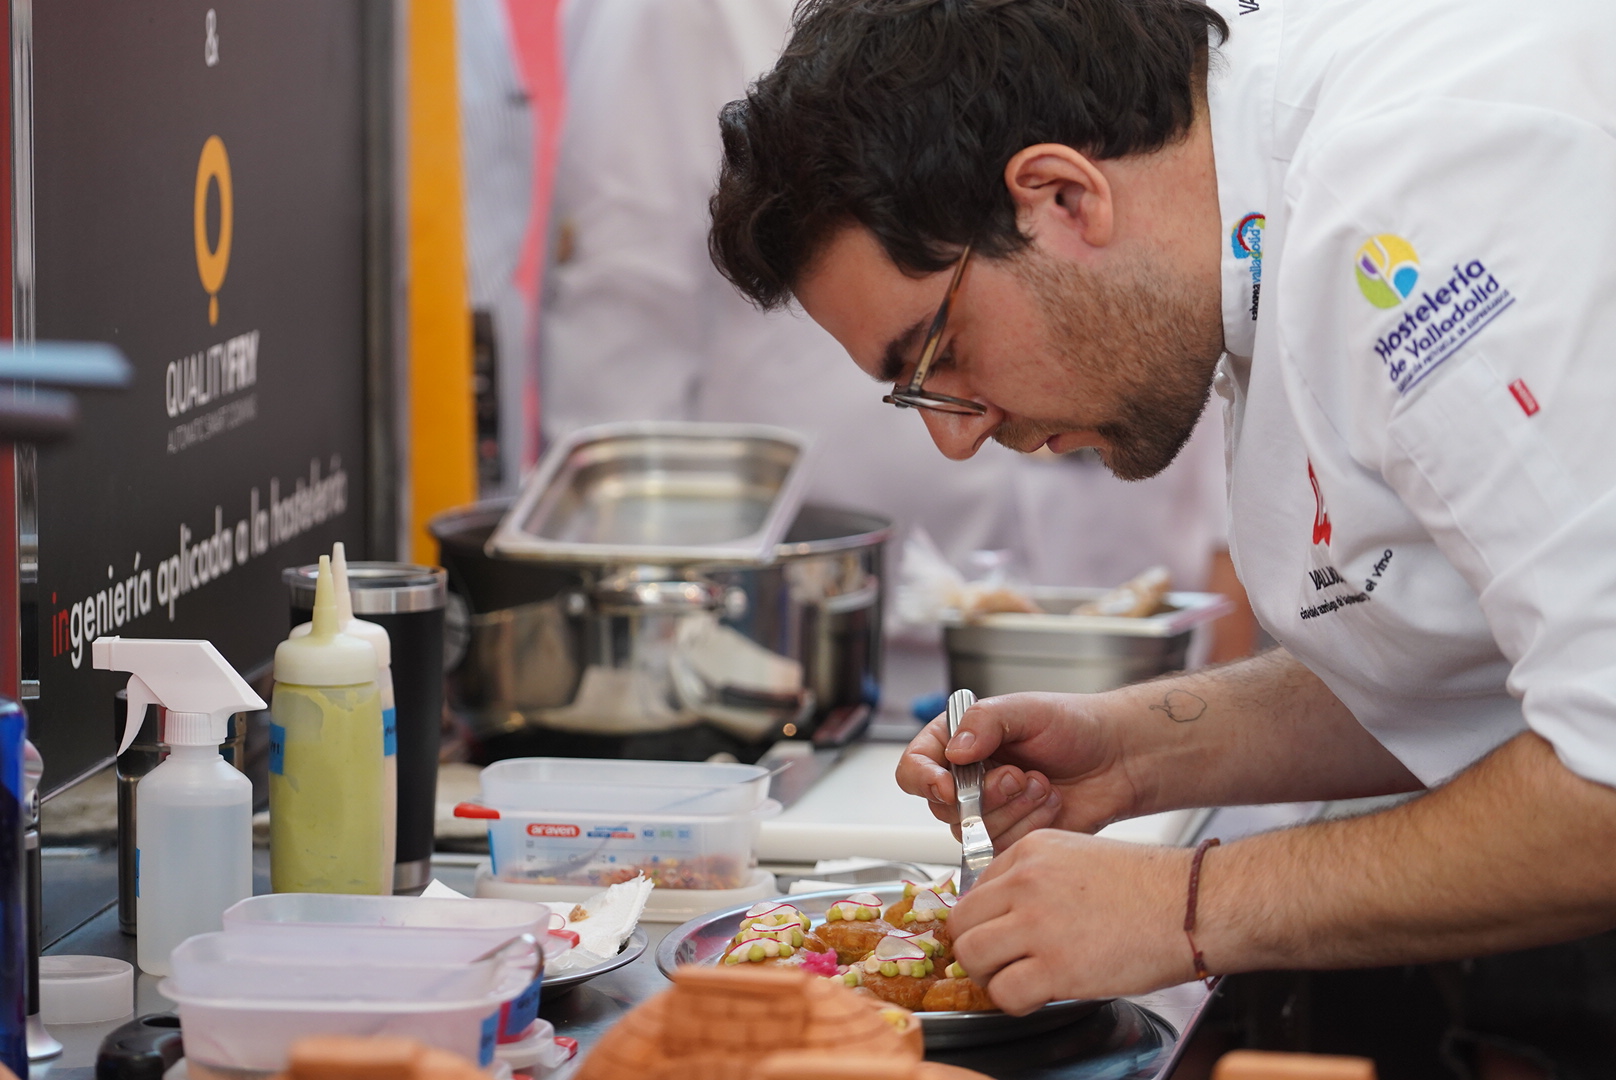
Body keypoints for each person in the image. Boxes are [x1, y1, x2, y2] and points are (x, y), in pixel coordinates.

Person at [705, 0, 1616, 1071]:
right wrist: (1136, 751)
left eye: (938, 354)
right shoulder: (1258, 211)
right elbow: (1476, 649)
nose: (957, 438)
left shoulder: (1416, 199)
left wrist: (1187, 906)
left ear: (1062, 197)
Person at [539, 0, 1252, 659]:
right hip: (843, 629)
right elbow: (621, 317)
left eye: (945, 347)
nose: (955, 440)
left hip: (1141, 603)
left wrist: (1240, 552)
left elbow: (1182, 230)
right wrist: (654, 644)